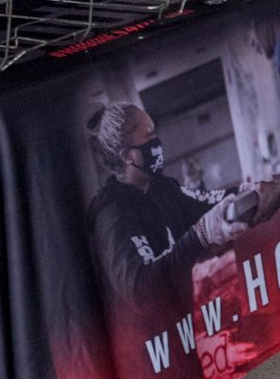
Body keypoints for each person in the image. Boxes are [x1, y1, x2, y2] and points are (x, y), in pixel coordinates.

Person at [85, 101, 249, 343]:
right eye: (149, 135)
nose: (157, 142)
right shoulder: (113, 217)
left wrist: (249, 190)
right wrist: (199, 236)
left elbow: (206, 203)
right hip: (149, 352)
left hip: (180, 330)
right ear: (128, 155)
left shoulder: (161, 187)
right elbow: (142, 289)